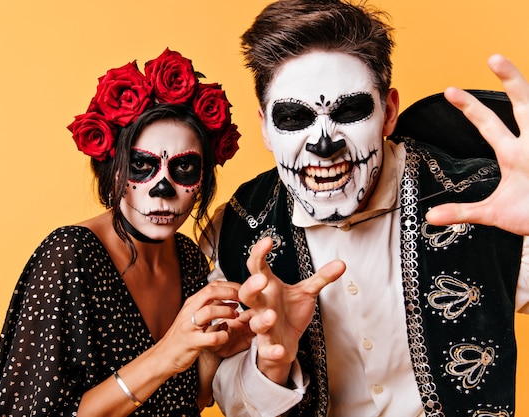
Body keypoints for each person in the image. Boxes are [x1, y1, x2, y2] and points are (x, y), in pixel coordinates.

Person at [202, 1, 529, 416]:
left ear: (388, 112)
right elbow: (232, 403)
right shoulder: (234, 229)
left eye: (350, 110)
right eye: (293, 117)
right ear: (265, 127)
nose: (324, 144)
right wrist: (272, 362)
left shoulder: (481, 201)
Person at [0, 48, 252, 417]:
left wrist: (214, 351)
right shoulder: (70, 256)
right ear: (114, 170)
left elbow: (190, 402)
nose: (163, 189)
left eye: (184, 167)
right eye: (142, 165)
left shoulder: (190, 260)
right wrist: (166, 354)